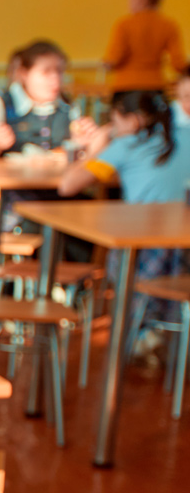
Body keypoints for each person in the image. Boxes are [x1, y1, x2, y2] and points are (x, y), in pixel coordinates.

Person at [60, 90, 190, 341]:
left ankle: (138, 336)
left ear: (133, 120)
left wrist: (96, 148)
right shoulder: (185, 136)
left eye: (114, 121)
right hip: (184, 247)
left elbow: (68, 185)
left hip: (145, 249)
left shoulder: (127, 144)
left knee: (116, 259)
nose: (113, 128)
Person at [0, 40, 96, 163]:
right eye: (46, 72)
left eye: (59, 71)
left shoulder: (67, 107)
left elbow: (84, 161)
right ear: (24, 74)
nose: (55, 78)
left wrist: (82, 143)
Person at [104, 0, 185, 94]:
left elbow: (114, 59)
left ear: (142, 0)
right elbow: (178, 64)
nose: (129, 3)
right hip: (155, 86)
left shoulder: (124, 24)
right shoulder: (168, 25)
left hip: (126, 87)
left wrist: (106, 64)